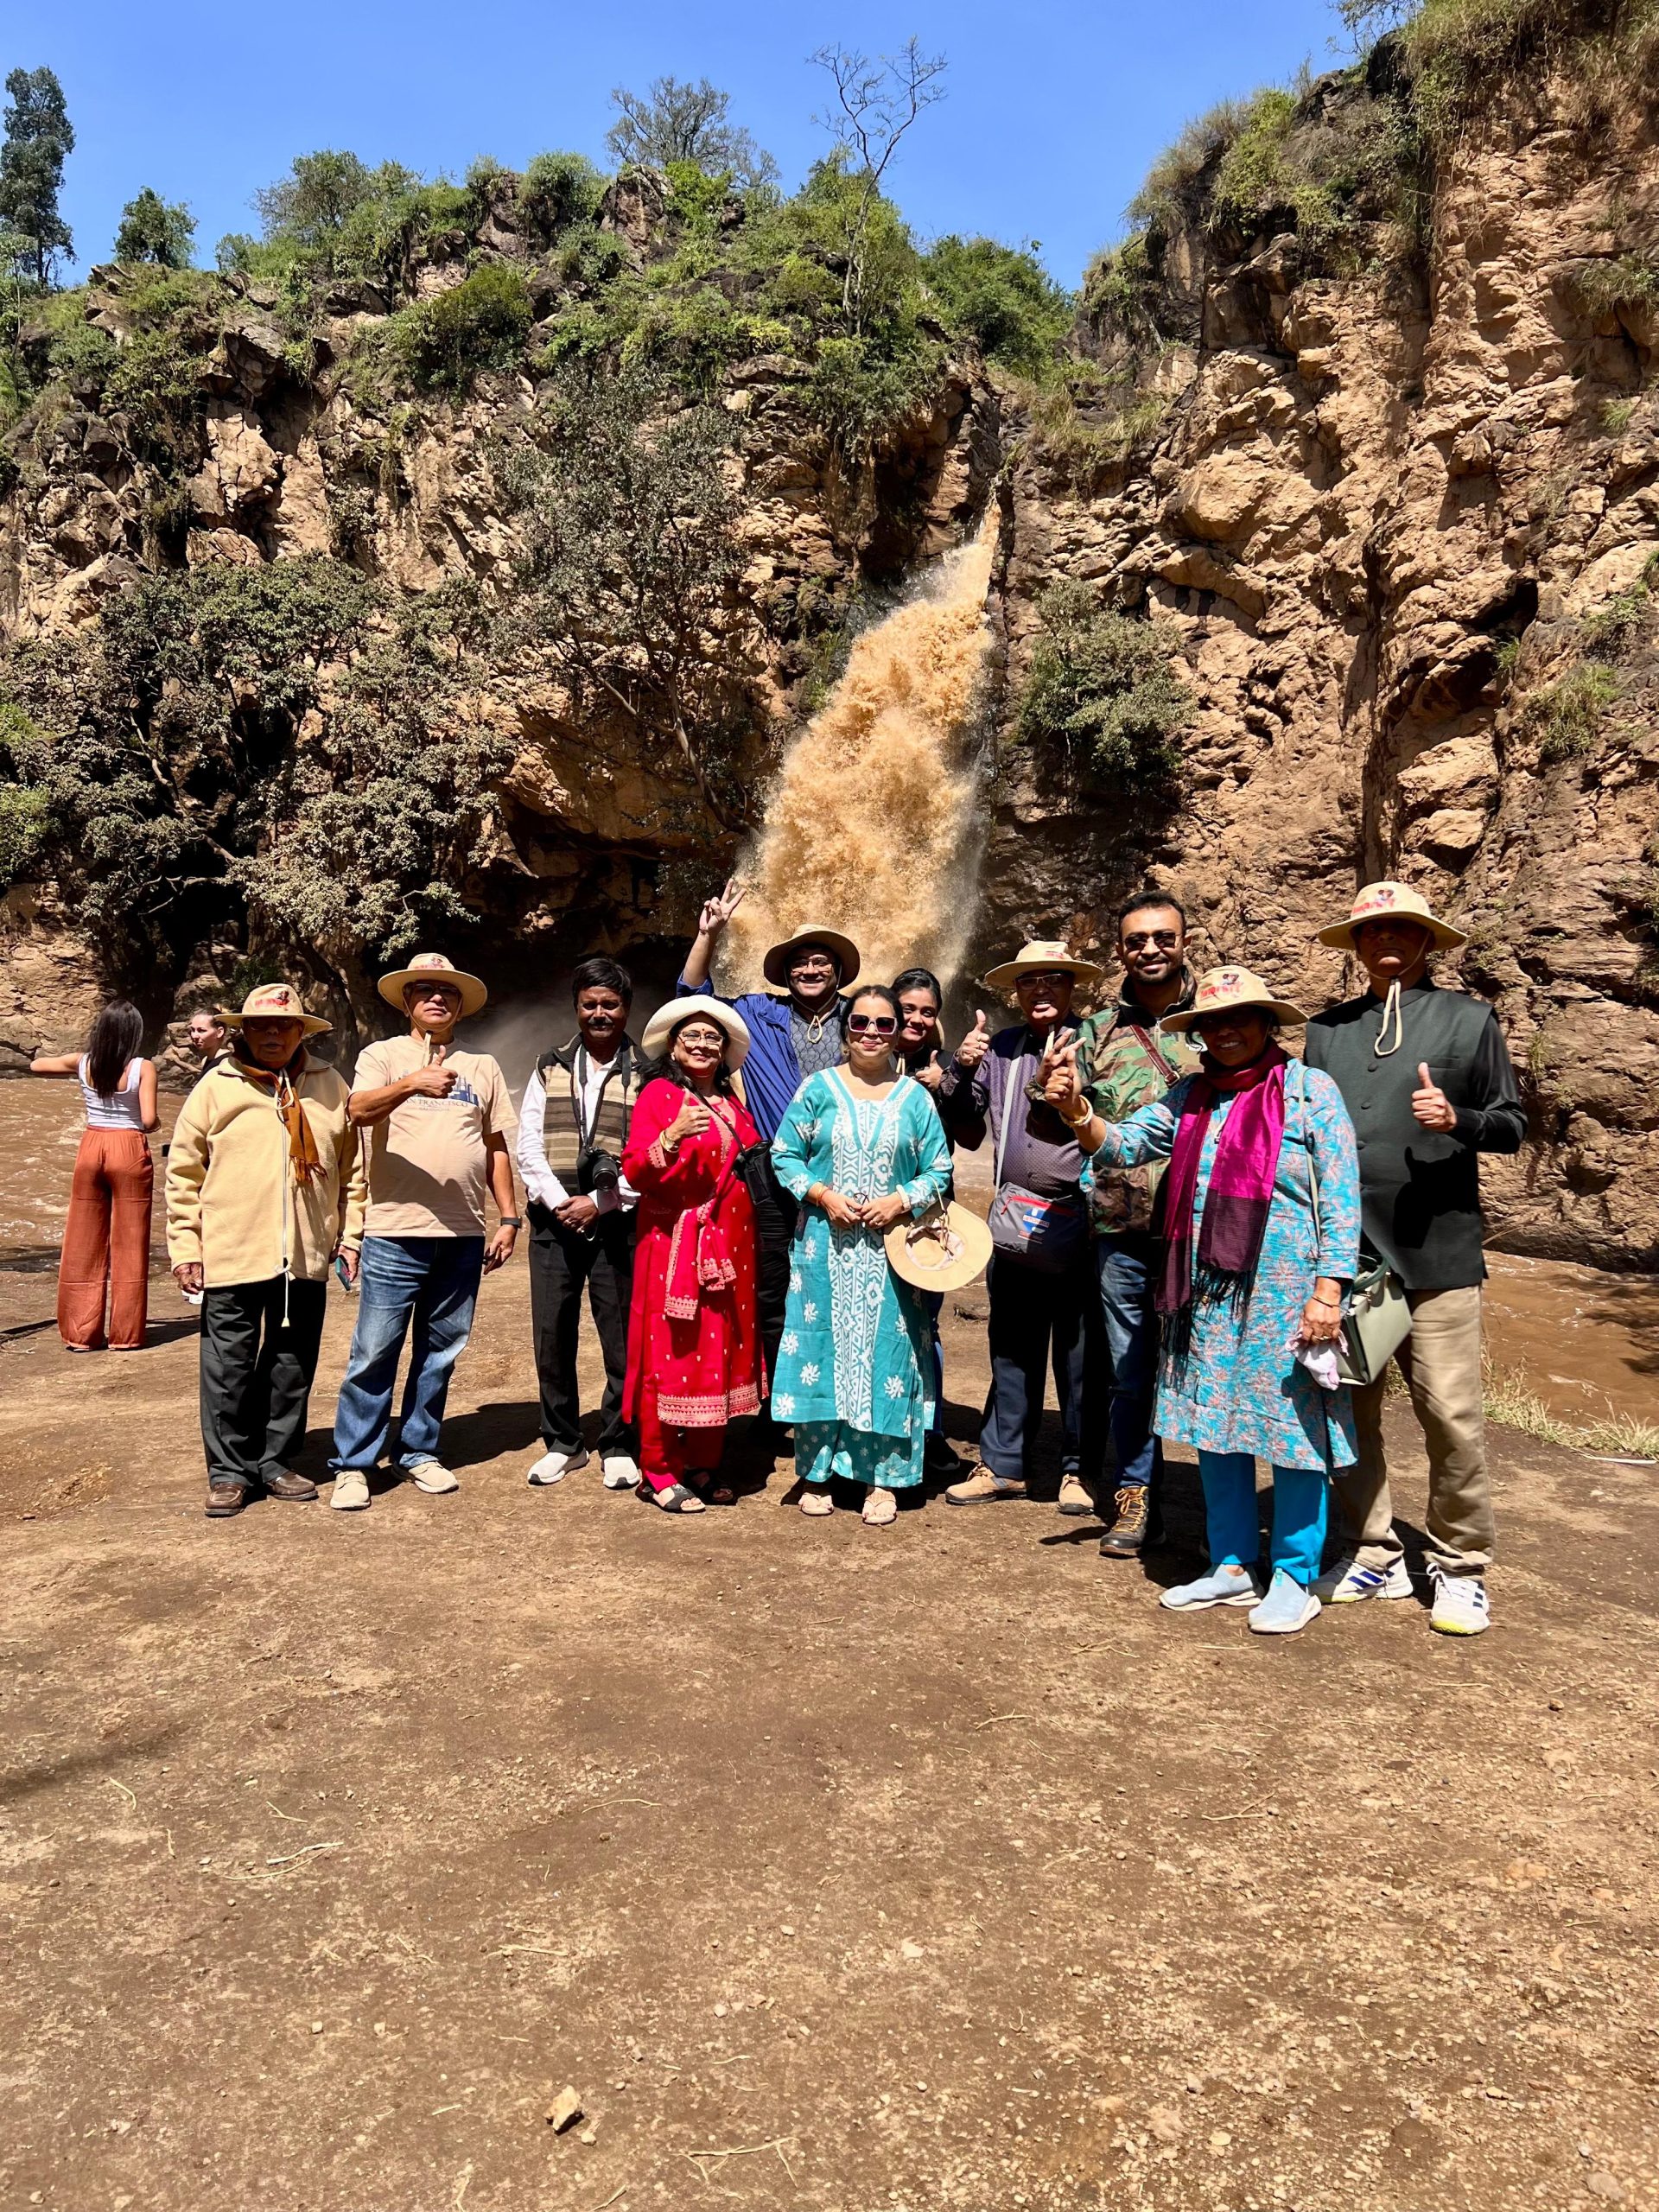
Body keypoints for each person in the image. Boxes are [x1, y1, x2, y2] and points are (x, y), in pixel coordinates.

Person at [1047, 966, 1360, 1635]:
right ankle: (1233, 1565)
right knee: (1217, 1426)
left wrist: (1329, 1291)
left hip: (1287, 1294)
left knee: (1291, 1431)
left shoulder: (1310, 1091)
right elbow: (1124, 1146)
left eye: (1238, 1018)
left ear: (1266, 1023)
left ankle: (1296, 1574)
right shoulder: (1191, 1095)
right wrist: (1076, 1108)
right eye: (1212, 1023)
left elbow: (1340, 1198)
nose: (1225, 1031)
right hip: (1208, 1293)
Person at [1305, 882, 1525, 1637]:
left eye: (1402, 929)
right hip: (1347, 1259)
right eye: (1372, 931)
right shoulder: (1327, 1031)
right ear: (1357, 945)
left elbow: (1513, 1124)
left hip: (1438, 1257)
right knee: (1349, 1414)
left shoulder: (1469, 1020)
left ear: (1428, 941)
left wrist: (1459, 1119)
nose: (1387, 940)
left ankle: (1460, 1566)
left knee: (1452, 1418)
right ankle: (1374, 1553)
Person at [164, 984, 365, 1517]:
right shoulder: (216, 1087)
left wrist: (349, 1236)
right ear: (244, 1032)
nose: (272, 1034)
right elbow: (183, 1174)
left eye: (283, 1025)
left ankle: (275, 1461)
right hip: (231, 1250)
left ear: (301, 1031)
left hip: (305, 1254)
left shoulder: (329, 1084)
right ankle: (230, 1472)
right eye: (260, 1026)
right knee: (227, 1368)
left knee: (291, 1366)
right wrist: (186, 1247)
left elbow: (352, 1171)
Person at [327, 953, 518, 1509]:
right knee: (374, 1352)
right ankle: (354, 1464)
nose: (437, 998)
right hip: (394, 1229)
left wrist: (509, 1218)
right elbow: (357, 1110)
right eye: (425, 990)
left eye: (447, 991)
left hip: (463, 1231)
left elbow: (496, 1145)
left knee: (440, 1351)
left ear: (460, 1005)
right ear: (407, 1001)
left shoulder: (483, 1065)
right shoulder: (382, 1056)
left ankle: (417, 1451)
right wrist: (413, 1082)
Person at [771, 984, 954, 1526]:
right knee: (822, 1352)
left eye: (884, 1024)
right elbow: (784, 1155)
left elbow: (939, 1169)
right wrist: (823, 1195)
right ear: (845, 1030)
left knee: (889, 1359)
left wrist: (901, 1199)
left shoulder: (915, 1099)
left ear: (898, 1034)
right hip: (824, 1249)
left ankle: (884, 1478)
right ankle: (817, 1473)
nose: (871, 1033)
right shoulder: (817, 1089)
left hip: (893, 1254)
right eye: (860, 1023)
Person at [677, 880, 859, 1419]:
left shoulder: (862, 1019)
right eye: (799, 962)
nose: (810, 969)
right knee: (772, 1287)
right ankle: (780, 1402)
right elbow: (691, 1001)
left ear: (838, 971)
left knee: (843, 1284)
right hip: (772, 1177)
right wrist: (709, 935)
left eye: (821, 961)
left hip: (849, 1173)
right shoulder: (756, 1015)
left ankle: (840, 1396)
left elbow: (913, 1035)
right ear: (784, 972)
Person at [936, 940, 1103, 1515]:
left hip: (1082, 1221)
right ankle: (1004, 1464)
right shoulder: (1002, 1047)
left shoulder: (1097, 1043)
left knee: (1081, 1357)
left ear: (1071, 986)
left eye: (1053, 978)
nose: (1040, 989)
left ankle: (1079, 1471)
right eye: (1029, 980)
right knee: (1011, 1346)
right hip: (1014, 1219)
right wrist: (961, 1068)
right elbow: (966, 1123)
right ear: (1017, 991)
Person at [1071, 894, 1201, 1559]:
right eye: (1136, 940)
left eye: (1162, 937)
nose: (1150, 949)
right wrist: (1052, 1094)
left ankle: (1224, 1510)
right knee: (1130, 1373)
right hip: (1121, 1229)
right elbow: (1056, 1112)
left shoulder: (1220, 1019)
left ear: (1184, 941)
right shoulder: (1094, 1032)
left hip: (1206, 1234)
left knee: (1212, 1368)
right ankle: (1135, 1496)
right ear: (1120, 951)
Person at [620, 996, 763, 1512]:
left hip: (729, 1249)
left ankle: (703, 1462)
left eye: (712, 1038)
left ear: (724, 1050)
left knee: (717, 1350)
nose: (702, 1045)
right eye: (692, 1037)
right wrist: (671, 1136)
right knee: (667, 1353)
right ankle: (657, 1470)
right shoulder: (659, 1095)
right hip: (673, 1245)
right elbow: (635, 1170)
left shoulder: (732, 1104)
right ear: (674, 1047)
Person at [518, 957, 645, 1492]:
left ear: (626, 1009)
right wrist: (560, 1202)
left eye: (609, 1004)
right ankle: (563, 1442)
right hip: (553, 1223)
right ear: (576, 1007)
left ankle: (618, 1443)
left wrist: (599, 1201)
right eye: (589, 1004)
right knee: (552, 1334)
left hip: (618, 1225)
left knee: (621, 1338)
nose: (599, 1013)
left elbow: (650, 1158)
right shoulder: (548, 1065)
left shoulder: (649, 1073)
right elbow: (528, 1144)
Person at [30, 1001, 160, 1353]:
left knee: (83, 1238)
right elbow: (149, 1120)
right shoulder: (142, 1067)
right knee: (130, 1240)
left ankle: (81, 1334)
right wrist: (156, 1125)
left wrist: (72, 1064)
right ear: (134, 1034)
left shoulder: (83, 1062)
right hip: (128, 1147)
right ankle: (125, 1336)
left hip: (91, 1146)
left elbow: (37, 1065)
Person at [892, 965, 967, 1480]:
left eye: (927, 1012)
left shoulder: (945, 1067)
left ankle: (930, 1429)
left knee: (926, 1324)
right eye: (907, 1010)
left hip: (929, 1215)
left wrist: (950, 1084)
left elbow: (973, 1134)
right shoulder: (863, 1059)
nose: (916, 1020)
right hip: (869, 1212)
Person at [186, 1010, 232, 1077]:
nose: (194, 1036)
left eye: (201, 1030)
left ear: (219, 1032)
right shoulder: (205, 1060)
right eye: (193, 1030)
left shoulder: (227, 1063)